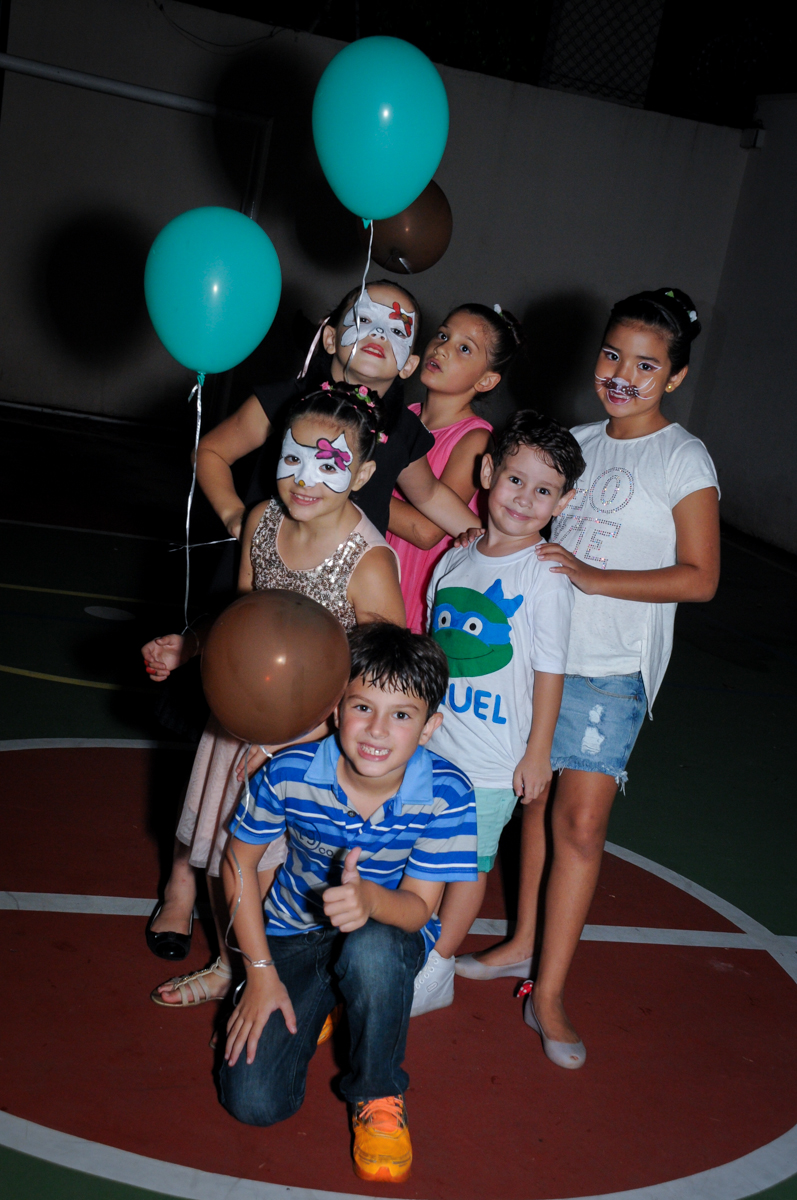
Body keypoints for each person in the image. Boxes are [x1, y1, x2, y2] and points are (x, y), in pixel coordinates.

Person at [145, 280, 483, 955]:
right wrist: (236, 533)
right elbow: (215, 466)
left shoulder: (394, 452)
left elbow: (428, 512)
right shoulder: (277, 441)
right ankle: (185, 890)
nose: (377, 338)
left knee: (271, 832)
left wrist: (492, 538)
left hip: (327, 654)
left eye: (397, 332)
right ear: (329, 334)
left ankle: (250, 953)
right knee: (213, 800)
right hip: (258, 627)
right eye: (363, 322)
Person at [458, 288, 721, 1070]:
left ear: (672, 378)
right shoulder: (574, 442)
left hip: (609, 673)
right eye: (612, 355)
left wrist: (592, 577)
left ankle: (549, 994)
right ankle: (520, 944)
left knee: (577, 825)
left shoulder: (682, 457)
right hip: (539, 660)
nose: (622, 375)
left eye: (646, 365)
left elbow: (700, 577)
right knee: (530, 811)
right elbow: (523, 534)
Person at [142, 384, 406, 1006]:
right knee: (221, 853)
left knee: (267, 870)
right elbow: (238, 620)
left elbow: (383, 676)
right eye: (292, 458)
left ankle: (269, 971)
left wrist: (310, 743)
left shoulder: (369, 563)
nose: (304, 479)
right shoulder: (261, 522)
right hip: (236, 720)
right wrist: (188, 646)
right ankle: (226, 964)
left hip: (312, 742)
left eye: (329, 465)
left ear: (364, 472)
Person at [219, 623, 478, 1184]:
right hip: (293, 933)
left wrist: (367, 901)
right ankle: (334, 1000)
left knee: (375, 949)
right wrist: (259, 972)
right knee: (256, 1104)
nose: (377, 730)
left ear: (431, 726)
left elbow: (416, 910)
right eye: (362, 706)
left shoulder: (448, 792)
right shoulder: (289, 772)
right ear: (336, 709)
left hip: (383, 931)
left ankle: (378, 1093)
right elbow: (238, 862)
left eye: (403, 715)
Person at [411, 411, 585, 1016]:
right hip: (432, 744)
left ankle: (436, 968)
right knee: (413, 852)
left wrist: (537, 752)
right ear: (487, 472)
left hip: (490, 762)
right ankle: (410, 942)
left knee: (465, 866)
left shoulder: (545, 576)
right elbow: (433, 651)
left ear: (565, 500)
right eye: (515, 480)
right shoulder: (455, 560)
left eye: (545, 491)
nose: (525, 499)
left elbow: (550, 671)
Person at [386, 303, 524, 632]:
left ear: (487, 380)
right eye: (443, 335)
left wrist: (348, 487)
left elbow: (426, 532)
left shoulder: (474, 439)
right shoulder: (403, 415)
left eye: (464, 348)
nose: (443, 349)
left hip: (412, 591)